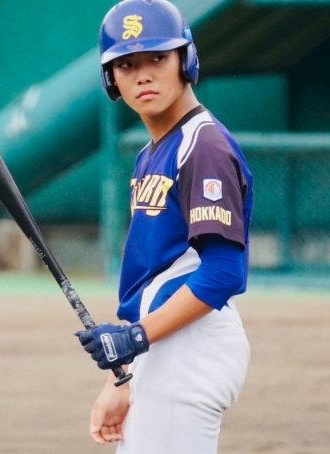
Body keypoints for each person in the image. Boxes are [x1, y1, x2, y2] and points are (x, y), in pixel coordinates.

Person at [74, 0, 253, 452]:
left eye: (157, 57)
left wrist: (134, 339)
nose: (143, 75)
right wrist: (123, 377)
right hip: (163, 346)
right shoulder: (150, 153)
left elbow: (223, 272)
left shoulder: (202, 146)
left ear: (185, 60)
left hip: (189, 346)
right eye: (126, 64)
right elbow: (151, 274)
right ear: (111, 79)